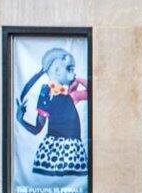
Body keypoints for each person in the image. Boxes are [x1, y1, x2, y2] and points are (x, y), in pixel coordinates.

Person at [15, 47, 89, 177]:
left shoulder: (71, 95)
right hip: (52, 153)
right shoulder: (45, 95)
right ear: (56, 70)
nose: (74, 73)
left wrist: (77, 80)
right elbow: (37, 128)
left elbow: (93, 91)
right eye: (70, 69)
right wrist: (20, 120)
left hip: (73, 153)